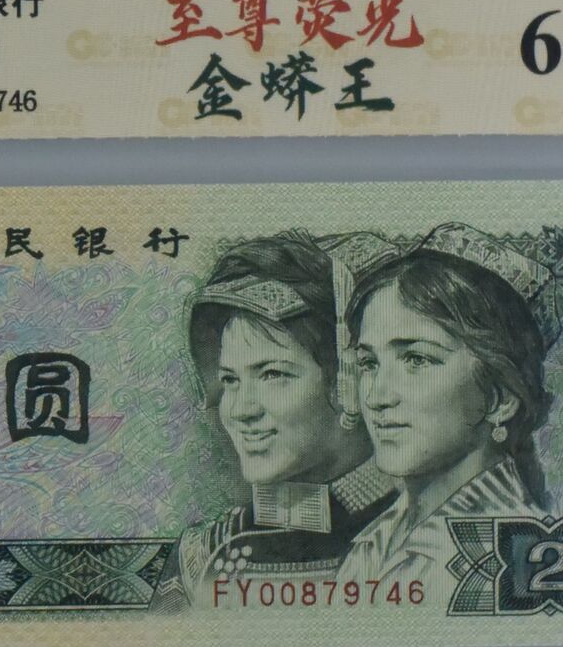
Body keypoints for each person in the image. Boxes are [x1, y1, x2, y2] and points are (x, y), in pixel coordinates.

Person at [150, 230, 400, 611]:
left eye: (272, 374)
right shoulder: (202, 556)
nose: (240, 410)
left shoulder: (426, 534)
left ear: (348, 381)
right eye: (230, 380)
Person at [336, 222, 554, 601]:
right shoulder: (373, 542)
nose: (376, 397)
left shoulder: (514, 558)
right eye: (369, 363)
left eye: (416, 360)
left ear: (500, 398)